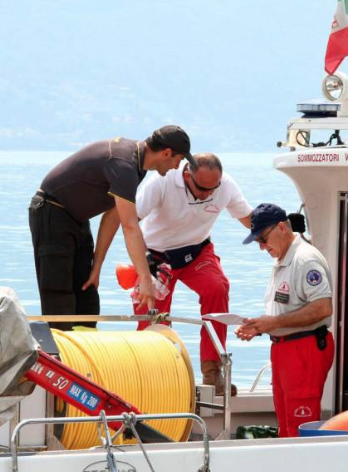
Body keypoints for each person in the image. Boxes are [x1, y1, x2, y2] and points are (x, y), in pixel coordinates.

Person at [29, 125, 196, 329]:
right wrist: (145, 278)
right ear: (166, 153)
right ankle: (58, 351)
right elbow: (130, 226)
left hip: (77, 219)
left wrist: (96, 266)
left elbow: (112, 217)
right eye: (179, 160)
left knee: (87, 294)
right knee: (59, 293)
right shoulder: (123, 163)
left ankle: (86, 354)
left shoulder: (138, 165)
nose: (177, 167)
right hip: (51, 212)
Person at [133, 153, 252, 395]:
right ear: (186, 174)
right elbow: (130, 220)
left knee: (217, 288)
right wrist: (143, 261)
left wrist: (283, 238)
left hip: (197, 252)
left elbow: (249, 219)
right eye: (201, 188)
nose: (207, 194)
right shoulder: (162, 182)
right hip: (156, 256)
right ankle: (154, 374)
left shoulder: (226, 185)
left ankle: (212, 372)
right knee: (151, 312)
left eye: (213, 189)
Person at [235, 203, 334, 437]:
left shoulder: (305, 260)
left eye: (262, 239)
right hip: (284, 349)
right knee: (286, 426)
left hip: (304, 348)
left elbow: (323, 308)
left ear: (281, 228)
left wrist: (274, 324)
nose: (261, 247)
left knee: (300, 427)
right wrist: (259, 327)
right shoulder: (283, 258)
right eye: (258, 241)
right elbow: (283, 310)